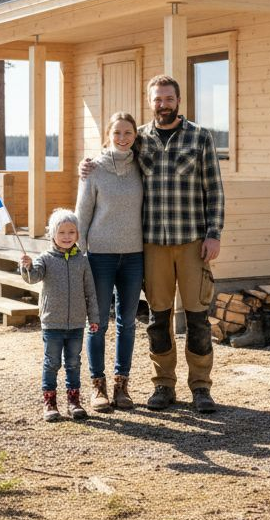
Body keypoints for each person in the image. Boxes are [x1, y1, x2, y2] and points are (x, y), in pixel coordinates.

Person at [81, 75, 225, 413]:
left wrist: (214, 233)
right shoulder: (140, 139)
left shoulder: (200, 137)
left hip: (192, 241)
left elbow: (214, 190)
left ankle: (201, 387)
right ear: (150, 102)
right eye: (157, 99)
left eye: (168, 98)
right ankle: (163, 386)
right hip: (153, 245)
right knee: (158, 318)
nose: (163, 104)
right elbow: (112, 157)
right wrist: (85, 166)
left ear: (178, 100)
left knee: (198, 318)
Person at [75, 111, 144, 412]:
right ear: (108, 134)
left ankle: (121, 384)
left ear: (135, 136)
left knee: (127, 323)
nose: (122, 138)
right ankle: (97, 386)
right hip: (100, 255)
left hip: (134, 255)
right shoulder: (93, 169)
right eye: (117, 132)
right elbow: (82, 214)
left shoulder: (142, 166)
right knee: (97, 323)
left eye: (128, 132)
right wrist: (79, 252)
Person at [20, 209, 100, 422]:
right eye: (62, 232)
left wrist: (94, 318)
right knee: (52, 362)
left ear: (77, 234)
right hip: (52, 323)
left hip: (75, 323)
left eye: (71, 232)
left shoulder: (82, 260)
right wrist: (26, 266)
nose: (66, 236)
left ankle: (74, 402)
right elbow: (32, 278)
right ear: (52, 235)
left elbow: (90, 291)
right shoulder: (45, 259)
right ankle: (50, 402)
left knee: (74, 363)